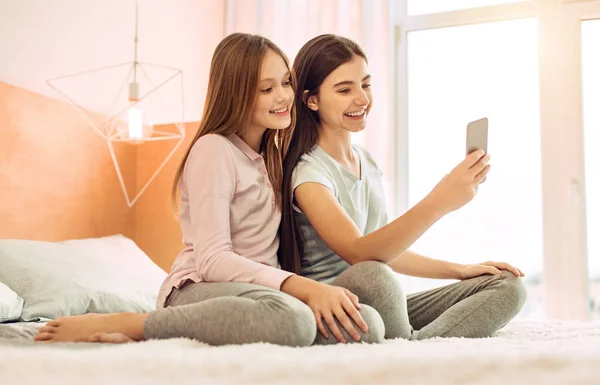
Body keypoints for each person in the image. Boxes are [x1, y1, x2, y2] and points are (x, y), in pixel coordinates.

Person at [34, 33, 383, 346]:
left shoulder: (272, 156)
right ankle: (134, 323)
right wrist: (300, 286)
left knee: (364, 322)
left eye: (286, 82)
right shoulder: (214, 150)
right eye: (266, 89)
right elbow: (213, 260)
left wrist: (314, 291)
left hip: (257, 294)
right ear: (236, 94)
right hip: (198, 290)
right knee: (292, 319)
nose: (283, 97)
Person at [279, 34, 527, 341]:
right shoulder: (308, 172)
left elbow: (387, 251)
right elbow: (360, 254)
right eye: (345, 89)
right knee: (373, 275)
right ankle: (411, 344)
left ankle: (416, 344)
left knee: (506, 284)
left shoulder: (365, 161)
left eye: (365, 85)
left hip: (380, 297)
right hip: (337, 305)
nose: (362, 99)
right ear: (311, 100)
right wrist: (440, 201)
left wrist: (461, 270)